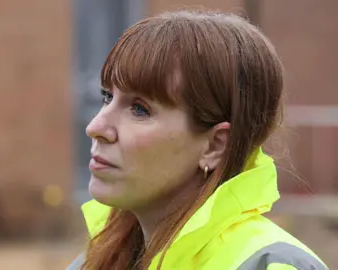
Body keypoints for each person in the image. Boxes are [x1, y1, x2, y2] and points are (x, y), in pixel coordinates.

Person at [67, 8, 328, 270]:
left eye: (139, 109)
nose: (95, 127)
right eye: (107, 97)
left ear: (216, 145)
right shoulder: (96, 263)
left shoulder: (271, 265)